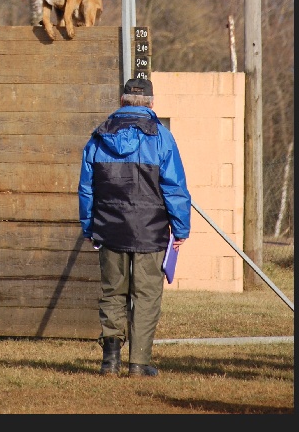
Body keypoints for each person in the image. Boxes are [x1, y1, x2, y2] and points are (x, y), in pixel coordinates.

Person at [78, 78, 191, 377]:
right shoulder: (162, 138)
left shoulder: (98, 137)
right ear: (152, 103)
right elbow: (175, 188)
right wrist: (180, 230)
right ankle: (139, 363)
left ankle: (110, 361)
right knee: (146, 296)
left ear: (121, 99)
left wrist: (89, 227)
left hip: (109, 228)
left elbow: (86, 189)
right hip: (150, 231)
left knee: (113, 293)